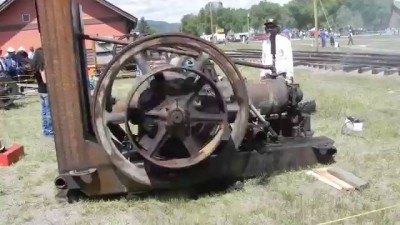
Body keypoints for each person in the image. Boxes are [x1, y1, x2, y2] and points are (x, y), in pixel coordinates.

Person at [259, 18, 294, 84]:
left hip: (281, 75)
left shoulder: (284, 41)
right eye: (268, 27)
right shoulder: (265, 43)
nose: (269, 29)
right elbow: (263, 60)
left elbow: (289, 59)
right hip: (268, 76)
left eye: (272, 27)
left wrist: (289, 75)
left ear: (277, 28)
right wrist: (262, 74)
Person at [32, 47, 54, 137]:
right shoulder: (42, 66)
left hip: (41, 91)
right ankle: (49, 131)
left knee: (44, 112)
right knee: (48, 112)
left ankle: (45, 129)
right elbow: (45, 80)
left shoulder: (36, 66)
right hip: (45, 91)